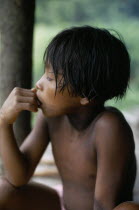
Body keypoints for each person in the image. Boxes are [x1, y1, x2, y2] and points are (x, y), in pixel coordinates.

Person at [0, 25, 138, 210]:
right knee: (3, 189)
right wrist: (3, 122)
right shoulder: (52, 118)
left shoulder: (108, 127)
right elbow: (18, 177)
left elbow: (103, 205)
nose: (38, 84)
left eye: (50, 78)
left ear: (84, 94)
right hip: (61, 203)